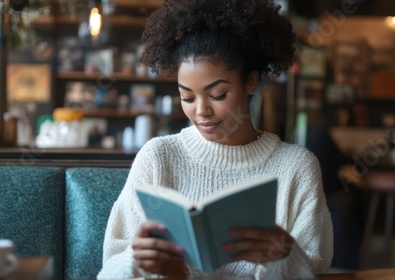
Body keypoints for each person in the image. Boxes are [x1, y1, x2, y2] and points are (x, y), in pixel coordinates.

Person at [97, 0, 333, 279]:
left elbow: (314, 270)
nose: (201, 111)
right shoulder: (158, 158)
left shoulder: (296, 167)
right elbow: (109, 268)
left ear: (250, 82)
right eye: (187, 96)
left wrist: (284, 257)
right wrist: (140, 264)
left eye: (218, 94)